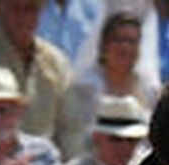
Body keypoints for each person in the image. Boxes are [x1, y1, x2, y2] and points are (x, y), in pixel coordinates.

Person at [0, 0, 73, 144]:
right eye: (16, 9)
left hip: (47, 159)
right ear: (2, 11)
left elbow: (70, 125)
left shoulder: (56, 62)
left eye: (30, 9)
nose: (23, 17)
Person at [60, 11, 159, 155]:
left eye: (132, 41)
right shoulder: (83, 89)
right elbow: (73, 138)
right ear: (103, 46)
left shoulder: (150, 90)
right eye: (118, 40)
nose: (125, 47)